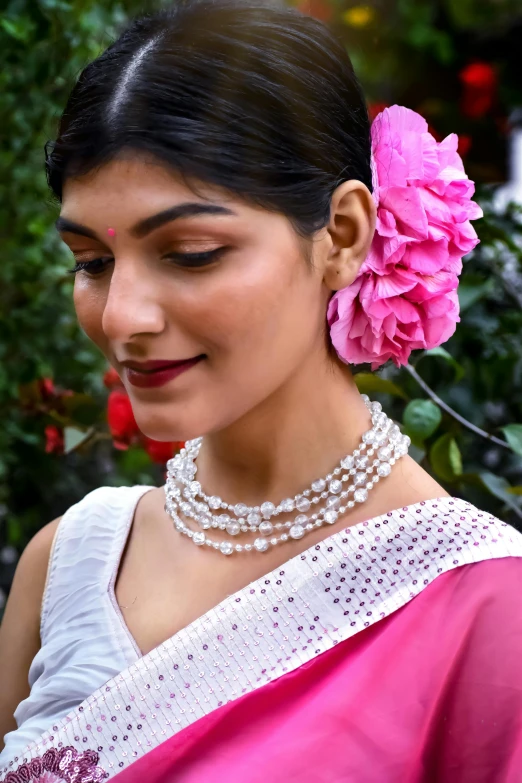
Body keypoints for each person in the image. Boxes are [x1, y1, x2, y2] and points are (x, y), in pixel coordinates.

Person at [0, 1, 521, 780]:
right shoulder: (69, 563)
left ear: (343, 234)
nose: (121, 317)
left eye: (192, 252)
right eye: (92, 261)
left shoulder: (484, 608)